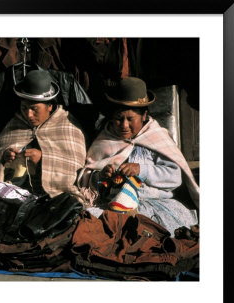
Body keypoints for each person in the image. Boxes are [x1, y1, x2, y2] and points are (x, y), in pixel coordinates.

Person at [78, 77, 199, 235]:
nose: (124, 125)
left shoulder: (157, 138)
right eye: (118, 119)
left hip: (154, 204)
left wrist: (142, 170)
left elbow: (174, 177)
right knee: (89, 221)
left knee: (140, 226)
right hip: (113, 204)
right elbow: (88, 182)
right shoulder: (105, 140)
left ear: (144, 115)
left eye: (130, 119)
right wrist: (100, 176)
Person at [0, 69, 86, 201]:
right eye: (24, 108)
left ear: (49, 106)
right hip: (14, 193)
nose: (28, 115)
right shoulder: (15, 124)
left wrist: (43, 160)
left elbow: (74, 166)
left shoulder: (68, 126)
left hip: (53, 197)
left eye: (34, 109)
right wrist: (4, 158)